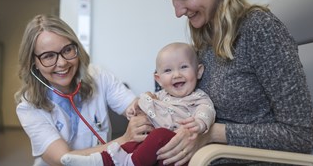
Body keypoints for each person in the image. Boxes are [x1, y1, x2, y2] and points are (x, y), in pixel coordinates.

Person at [155, 0, 313, 165]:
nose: (177, 12)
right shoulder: (205, 38)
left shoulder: (260, 30)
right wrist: (149, 113)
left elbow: (300, 135)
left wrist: (213, 133)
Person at [15, 14, 154, 166]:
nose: (62, 63)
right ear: (34, 63)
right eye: (48, 56)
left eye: (67, 50)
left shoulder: (99, 76)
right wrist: (125, 140)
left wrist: (146, 104)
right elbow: (63, 159)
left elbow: (137, 108)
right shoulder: (28, 107)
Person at [61, 42, 216, 166]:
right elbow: (145, 108)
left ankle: (130, 162)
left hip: (178, 150)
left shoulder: (198, 97)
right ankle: (100, 161)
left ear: (198, 71)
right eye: (168, 70)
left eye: (184, 67)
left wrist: (200, 123)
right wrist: (137, 108)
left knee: (158, 135)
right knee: (136, 142)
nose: (176, 74)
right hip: (156, 153)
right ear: (159, 79)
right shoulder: (159, 96)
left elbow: (207, 109)